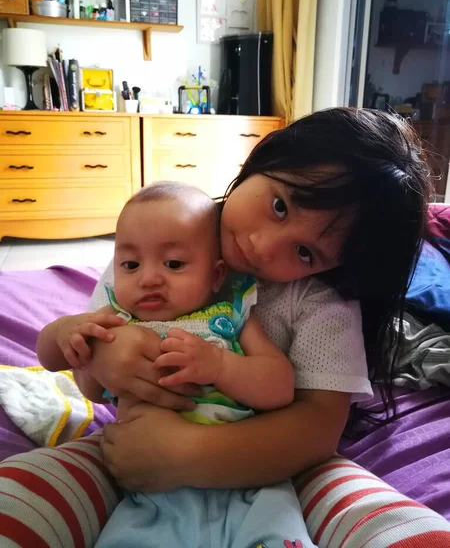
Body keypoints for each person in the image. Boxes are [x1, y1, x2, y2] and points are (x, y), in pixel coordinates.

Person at [4, 107, 430, 548]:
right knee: (22, 494)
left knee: (398, 524)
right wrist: (103, 356)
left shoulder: (320, 301)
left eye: (305, 252)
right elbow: (87, 378)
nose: (262, 247)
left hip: (278, 470)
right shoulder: (155, 245)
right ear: (264, 155)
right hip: (129, 457)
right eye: (280, 206)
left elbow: (319, 425)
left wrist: (187, 454)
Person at [38, 181, 304, 547]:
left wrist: (222, 367)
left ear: (216, 276)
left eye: (173, 263)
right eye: (130, 264)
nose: (148, 278)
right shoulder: (114, 319)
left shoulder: (230, 316)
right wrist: (67, 334)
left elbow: (280, 387)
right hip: (150, 497)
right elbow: (82, 384)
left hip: (250, 484)